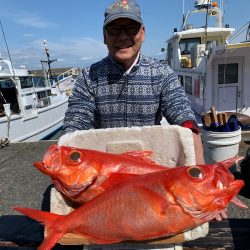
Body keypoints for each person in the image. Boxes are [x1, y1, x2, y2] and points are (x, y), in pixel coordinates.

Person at [62, 0, 226, 221]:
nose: (123, 36)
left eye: (130, 28)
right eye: (114, 29)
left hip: (151, 177)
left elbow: (186, 121)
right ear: (104, 36)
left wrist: (201, 184)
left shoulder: (161, 73)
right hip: (103, 180)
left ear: (143, 32)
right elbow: (74, 128)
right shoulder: (88, 77)